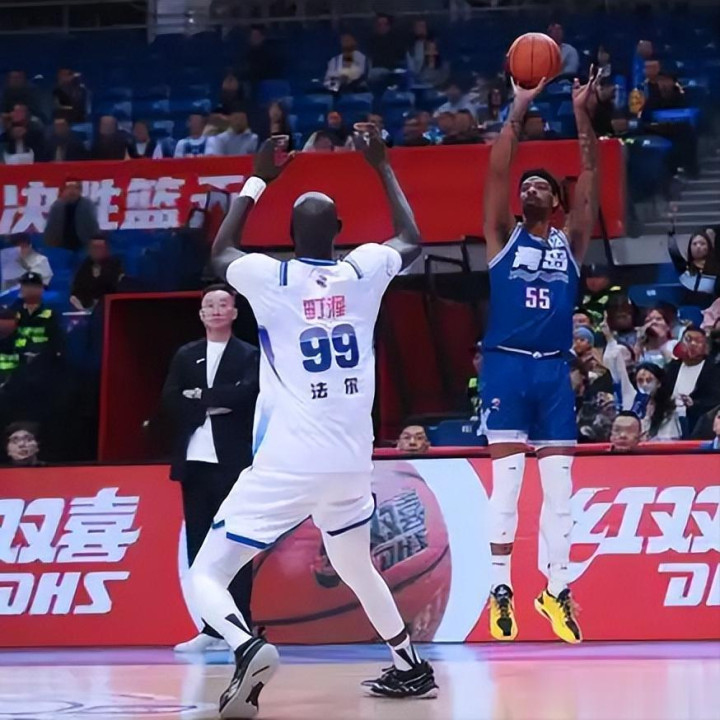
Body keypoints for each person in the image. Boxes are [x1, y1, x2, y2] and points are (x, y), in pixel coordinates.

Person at [186, 133, 435, 718]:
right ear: (340, 230)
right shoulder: (363, 270)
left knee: (207, 572)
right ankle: (409, 664)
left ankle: (247, 646)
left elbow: (218, 255)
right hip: (350, 462)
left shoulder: (271, 278)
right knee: (354, 564)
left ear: (290, 236)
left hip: (289, 461)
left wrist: (258, 178)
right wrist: (382, 166)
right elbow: (411, 240)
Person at [482, 68, 600, 643]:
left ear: (556, 202)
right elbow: (497, 170)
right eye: (525, 185)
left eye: (540, 186)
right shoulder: (501, 234)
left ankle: (556, 589)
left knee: (560, 494)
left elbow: (592, 175)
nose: (528, 188)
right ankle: (500, 587)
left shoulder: (570, 242)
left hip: (552, 369)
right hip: (505, 364)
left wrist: (581, 115)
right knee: (506, 488)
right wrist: (519, 106)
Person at [162, 284, 259, 653]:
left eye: (223, 304)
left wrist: (200, 396)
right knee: (199, 546)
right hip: (194, 463)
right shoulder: (187, 355)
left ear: (234, 312)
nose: (216, 310)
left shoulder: (248, 354)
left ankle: (240, 625)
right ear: (201, 313)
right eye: (209, 305)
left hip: (233, 462)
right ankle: (211, 627)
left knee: (234, 545)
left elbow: (247, 394)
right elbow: (171, 399)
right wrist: (214, 402)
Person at [666, 326, 720, 435]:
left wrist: (694, 404)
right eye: (688, 339)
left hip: (696, 421)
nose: (693, 344)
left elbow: (714, 400)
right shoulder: (672, 367)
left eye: (698, 341)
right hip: (669, 417)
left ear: (706, 346)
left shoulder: (714, 370)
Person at [13, 272, 63, 361]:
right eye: (26, 286)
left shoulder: (50, 314)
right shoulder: (12, 313)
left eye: (33, 286)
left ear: (41, 289)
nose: (29, 290)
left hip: (44, 362)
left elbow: (57, 342)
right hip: (18, 361)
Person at [43, 178, 100, 251]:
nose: (72, 191)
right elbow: (51, 228)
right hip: (60, 246)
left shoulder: (87, 205)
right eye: (69, 188)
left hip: (84, 246)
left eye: (75, 188)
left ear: (80, 191)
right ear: (63, 191)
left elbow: (93, 227)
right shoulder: (57, 206)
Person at [69, 235, 124, 310]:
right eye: (94, 248)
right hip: (87, 305)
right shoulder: (84, 266)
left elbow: (116, 286)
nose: (97, 251)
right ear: (89, 250)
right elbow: (77, 288)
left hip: (109, 304)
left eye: (100, 248)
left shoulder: (115, 265)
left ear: (106, 249)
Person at [669, 228, 720, 298]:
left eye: (702, 244)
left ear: (708, 247)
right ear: (690, 248)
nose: (698, 247)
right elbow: (674, 253)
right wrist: (671, 236)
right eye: (694, 244)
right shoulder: (684, 268)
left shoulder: (716, 270)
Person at [367, 13, 405, 81]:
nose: (382, 27)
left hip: (394, 74)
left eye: (385, 24)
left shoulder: (398, 41)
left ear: (389, 26)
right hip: (375, 75)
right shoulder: (370, 41)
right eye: (379, 24)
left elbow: (401, 59)